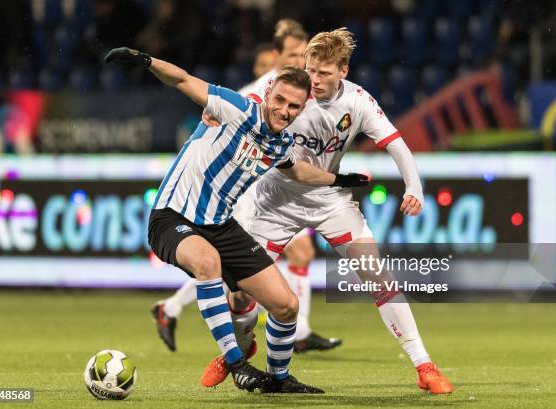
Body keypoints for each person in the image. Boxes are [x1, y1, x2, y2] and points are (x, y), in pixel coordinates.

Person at [199, 28, 454, 395]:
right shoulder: (285, 84)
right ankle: (238, 350)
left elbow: (395, 143)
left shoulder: (358, 102)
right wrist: (214, 109)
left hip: (330, 198)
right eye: (311, 69)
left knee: (375, 274)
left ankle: (424, 365)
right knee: (240, 294)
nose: (314, 80)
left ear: (343, 72)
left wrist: (414, 186)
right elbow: (243, 99)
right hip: (274, 200)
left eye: (324, 73)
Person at [104, 46, 369, 393]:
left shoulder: (281, 144)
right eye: (281, 100)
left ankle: (278, 378)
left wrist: (339, 179)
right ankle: (236, 363)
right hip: (172, 217)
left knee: (286, 305)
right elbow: (182, 79)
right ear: (269, 92)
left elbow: (298, 171)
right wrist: (145, 61)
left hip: (221, 226)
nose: (284, 111)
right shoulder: (234, 108)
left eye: (294, 106)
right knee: (206, 261)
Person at [153, 19, 341, 358]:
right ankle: (274, 337)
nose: (302, 63)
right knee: (226, 271)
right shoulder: (263, 90)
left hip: (271, 184)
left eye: (306, 57)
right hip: (245, 193)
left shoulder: (302, 95)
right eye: (295, 55)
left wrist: (333, 177)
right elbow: (228, 107)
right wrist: (210, 113)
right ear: (277, 55)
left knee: (244, 271)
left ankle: (295, 330)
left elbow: (295, 157)